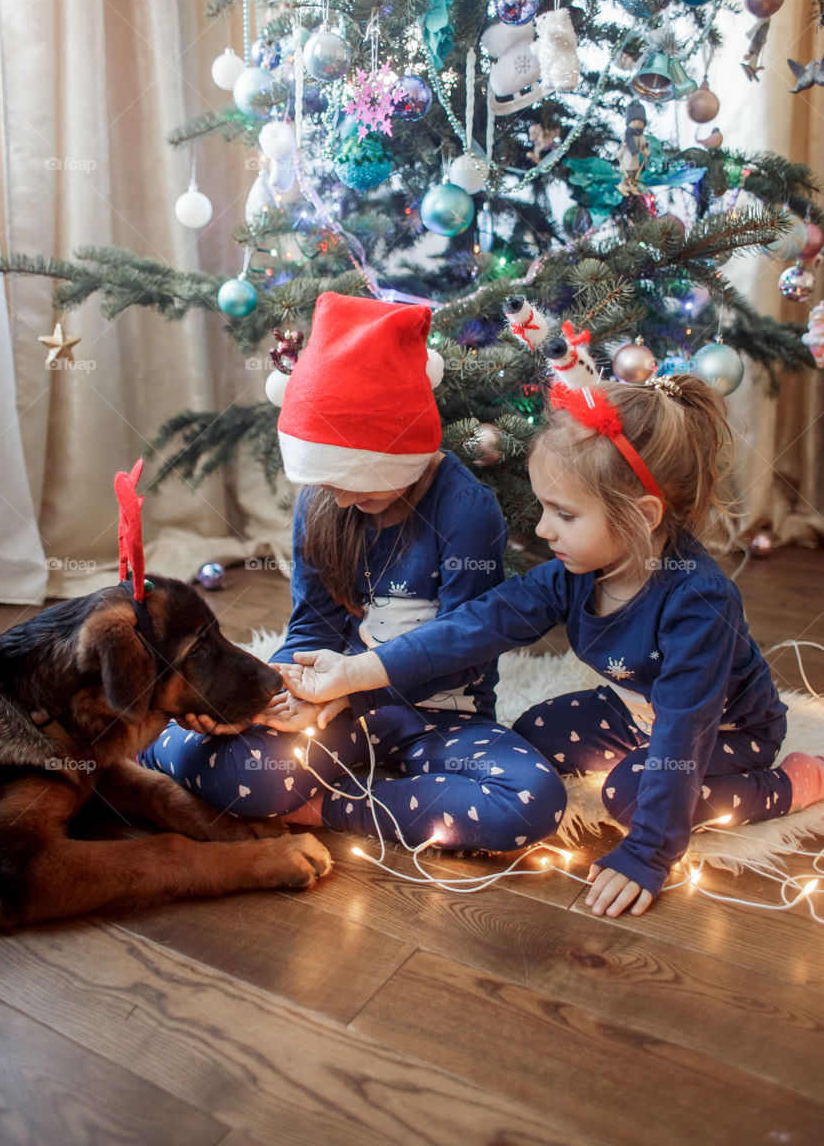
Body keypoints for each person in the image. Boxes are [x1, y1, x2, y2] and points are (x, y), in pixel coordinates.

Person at [282, 373, 824, 917]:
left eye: (563, 514)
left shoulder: (698, 604)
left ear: (642, 516)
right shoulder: (575, 571)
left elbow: (685, 733)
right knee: (533, 733)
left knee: (630, 795)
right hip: (634, 712)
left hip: (726, 730)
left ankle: (789, 784)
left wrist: (649, 852)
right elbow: (478, 625)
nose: (543, 530)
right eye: (544, 508)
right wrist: (357, 673)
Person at [139, 291, 567, 853]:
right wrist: (277, 691)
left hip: (443, 715)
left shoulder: (465, 509)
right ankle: (151, 744)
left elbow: (466, 646)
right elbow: (311, 627)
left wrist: (344, 694)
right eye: (325, 481)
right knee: (245, 771)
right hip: (338, 716)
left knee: (530, 799)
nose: (338, 499)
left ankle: (327, 807)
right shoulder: (323, 501)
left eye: (352, 478)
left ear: (400, 451)